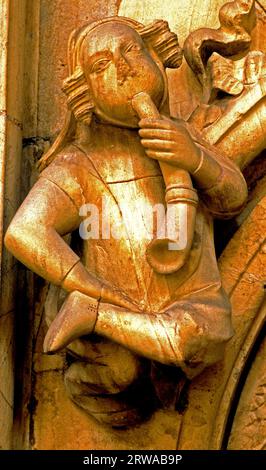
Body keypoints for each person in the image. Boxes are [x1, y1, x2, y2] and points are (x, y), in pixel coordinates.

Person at [5, 16, 247, 424]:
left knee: (206, 335)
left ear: (155, 54)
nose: (123, 66)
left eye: (131, 50)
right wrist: (87, 284)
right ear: (88, 96)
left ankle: (99, 316)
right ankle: (98, 315)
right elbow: (25, 231)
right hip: (123, 311)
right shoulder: (80, 164)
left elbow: (233, 196)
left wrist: (195, 159)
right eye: (101, 66)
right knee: (119, 369)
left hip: (190, 301)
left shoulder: (184, 136)